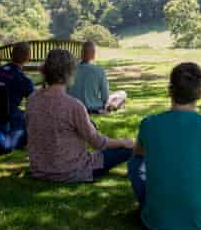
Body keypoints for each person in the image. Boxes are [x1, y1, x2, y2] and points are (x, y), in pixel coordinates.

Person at [128, 62, 201, 230]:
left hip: (153, 221)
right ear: (200, 93)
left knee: (134, 162)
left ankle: (153, 204)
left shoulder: (148, 124)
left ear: (170, 91)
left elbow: (138, 156)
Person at [26, 49, 134, 182]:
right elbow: (98, 142)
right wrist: (124, 142)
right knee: (129, 148)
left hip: (39, 169)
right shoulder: (73, 106)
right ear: (70, 72)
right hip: (71, 170)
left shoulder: (32, 99)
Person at [0, 41, 34, 147]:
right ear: (28, 57)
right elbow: (34, 102)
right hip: (10, 116)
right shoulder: (24, 80)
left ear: (11, 54)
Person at [68, 41, 127, 113]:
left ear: (81, 53)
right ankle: (111, 107)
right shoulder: (99, 70)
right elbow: (105, 97)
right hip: (94, 108)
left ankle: (112, 107)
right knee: (122, 93)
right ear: (93, 53)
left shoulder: (70, 70)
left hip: (74, 107)